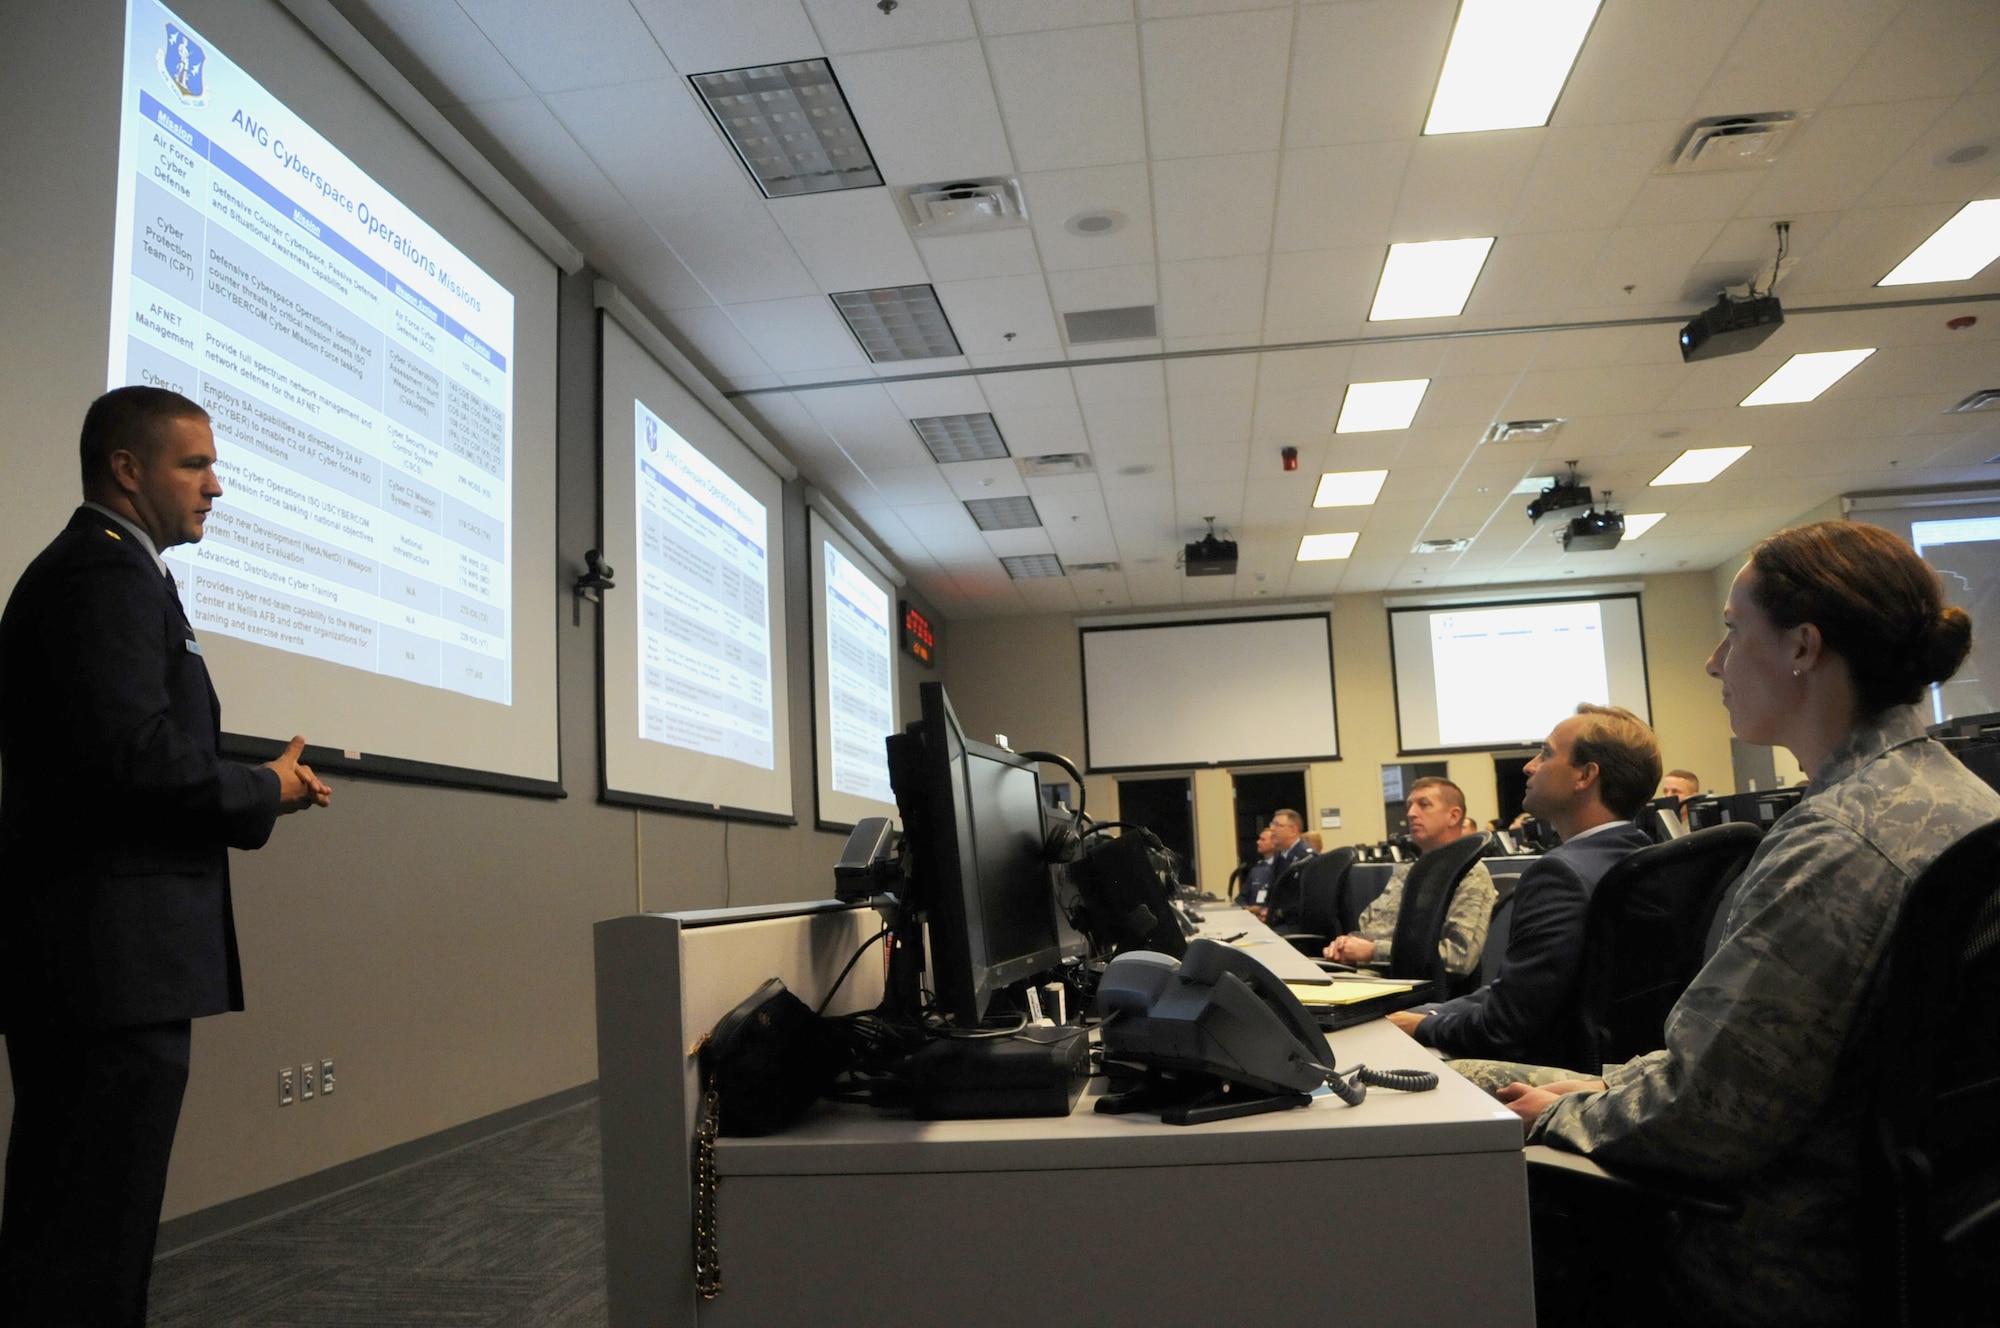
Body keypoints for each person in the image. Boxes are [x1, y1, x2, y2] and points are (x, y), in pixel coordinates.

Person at [1486, 521, 2000, 1326]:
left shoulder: (1837, 840)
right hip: (1922, 1237)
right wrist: (1594, 1087)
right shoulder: (1963, 800)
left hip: (1772, 1254)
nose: (1714, 661)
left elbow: (1710, 1118)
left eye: (1732, 630)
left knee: (1456, 1134)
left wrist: (1555, 1111)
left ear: (1802, 647)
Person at [0, 387, 332, 1326]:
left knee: (91, 1227)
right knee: (85, 1237)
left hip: (106, 964)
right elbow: (132, 760)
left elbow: (128, 749)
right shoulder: (100, 577)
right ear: (127, 468)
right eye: (195, 464)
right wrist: (264, 788)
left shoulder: (115, 573)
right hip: (106, 968)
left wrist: (263, 782)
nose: (216, 487)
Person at [1388, 706, 1657, 1067]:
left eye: (1545, 753)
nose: (1529, 766)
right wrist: (1432, 1013)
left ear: (1585, 776)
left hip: (1556, 1073)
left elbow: (1502, 1029)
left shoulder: (1561, 874)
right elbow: (1517, 995)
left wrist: (1421, 1028)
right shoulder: (1645, 857)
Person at [1324, 777, 1494, 977]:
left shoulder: (1471, 874)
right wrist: (1346, 944)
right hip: (1366, 974)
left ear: (1453, 816)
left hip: (1407, 987)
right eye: (1409, 806)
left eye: (1424, 805)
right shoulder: (1409, 872)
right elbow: (1369, 927)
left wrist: (1371, 952)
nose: (1411, 814)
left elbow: (1459, 958)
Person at [1244, 809, 1313, 919]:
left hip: (1295, 923)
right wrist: (1263, 909)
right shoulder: (1280, 857)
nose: (1272, 829)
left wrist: (1274, 913)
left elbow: (1307, 901)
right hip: (1278, 920)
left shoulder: (1306, 858)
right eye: (1272, 824)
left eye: (1277, 825)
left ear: (1293, 831)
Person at [1233, 825, 1278, 907]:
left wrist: (1261, 909)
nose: (1258, 842)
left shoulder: (1281, 867)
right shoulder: (1256, 869)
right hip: (1251, 915)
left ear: (1274, 843)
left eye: (1263, 840)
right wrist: (1245, 907)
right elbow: (1241, 897)